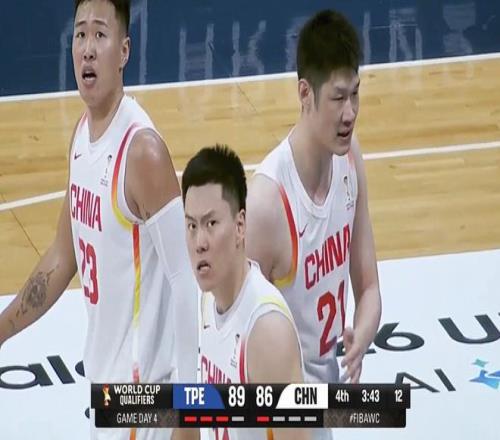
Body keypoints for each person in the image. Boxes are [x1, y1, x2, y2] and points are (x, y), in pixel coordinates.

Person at [0, 1, 198, 439]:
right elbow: (62, 255)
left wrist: (189, 415)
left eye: (100, 35)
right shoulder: (81, 137)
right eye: (80, 34)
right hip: (108, 397)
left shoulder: (142, 152)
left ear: (124, 51)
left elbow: (187, 281)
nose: (87, 48)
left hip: (145, 403)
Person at [246, 6, 382, 403]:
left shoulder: (351, 159)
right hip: (277, 408)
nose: (350, 113)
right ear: (305, 93)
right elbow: (233, 339)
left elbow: (369, 286)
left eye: (355, 94)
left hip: (324, 395)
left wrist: (362, 336)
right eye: (338, 98)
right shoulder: (266, 203)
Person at [182, 145, 309, 440]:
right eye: (191, 226)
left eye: (211, 223)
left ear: (240, 225)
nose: (199, 242)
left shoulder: (266, 330)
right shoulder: (207, 299)